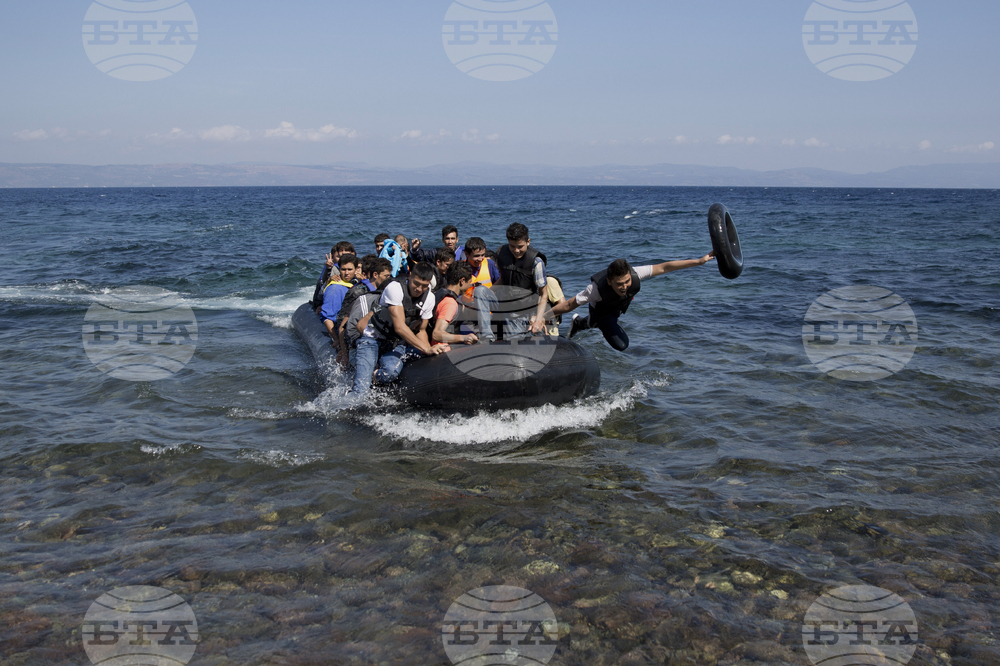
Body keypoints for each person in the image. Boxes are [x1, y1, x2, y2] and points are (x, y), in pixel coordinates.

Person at [550, 253, 715, 351]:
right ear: (609, 281)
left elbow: (665, 267)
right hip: (601, 311)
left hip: (616, 309)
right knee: (620, 344)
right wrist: (543, 316)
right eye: (619, 284)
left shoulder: (636, 273)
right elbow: (569, 304)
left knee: (606, 330)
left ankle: (580, 323)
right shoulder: (594, 289)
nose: (624, 287)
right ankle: (579, 323)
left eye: (627, 282)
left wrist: (699, 261)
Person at [350, 262, 446, 395]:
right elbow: (400, 327)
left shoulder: (429, 298)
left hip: (395, 344)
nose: (419, 289)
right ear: (410, 275)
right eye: (416, 283)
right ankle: (350, 399)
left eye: (424, 286)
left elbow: (421, 331)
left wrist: (429, 354)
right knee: (361, 390)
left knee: (390, 372)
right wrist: (427, 349)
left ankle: (375, 377)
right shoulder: (395, 288)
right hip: (372, 339)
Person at [336, 256, 391, 366]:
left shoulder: (385, 291)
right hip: (358, 343)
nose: (389, 279)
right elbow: (342, 323)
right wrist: (344, 352)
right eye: (386, 276)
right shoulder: (358, 292)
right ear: (375, 275)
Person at [495, 222, 548, 336]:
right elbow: (502, 279)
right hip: (505, 305)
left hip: (524, 311)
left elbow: (543, 294)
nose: (516, 250)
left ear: (528, 242)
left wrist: (538, 320)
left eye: (520, 246)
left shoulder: (536, 262)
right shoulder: (503, 253)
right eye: (512, 246)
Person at [461, 237, 501, 342]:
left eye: (482, 255)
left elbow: (500, 284)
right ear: (467, 254)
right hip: (470, 311)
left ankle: (487, 336)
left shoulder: (489, 264)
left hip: (491, 307)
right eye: (476, 256)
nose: (480, 259)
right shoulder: (461, 269)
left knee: (480, 290)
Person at [431, 262, 479, 345]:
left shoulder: (440, 292)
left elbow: (460, 313)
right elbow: (436, 334)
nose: (469, 286)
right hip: (443, 351)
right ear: (462, 281)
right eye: (469, 282)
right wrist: (464, 338)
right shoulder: (450, 303)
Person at [319, 254, 358, 341]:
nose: (347, 273)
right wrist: (337, 340)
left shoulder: (356, 283)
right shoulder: (335, 289)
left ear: (356, 270)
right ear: (339, 269)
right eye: (343, 269)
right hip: (342, 333)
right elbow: (327, 317)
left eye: (350, 269)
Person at [312, 241, 355, 311]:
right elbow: (321, 285)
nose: (344, 253)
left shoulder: (356, 265)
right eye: (341, 251)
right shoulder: (332, 267)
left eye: (346, 251)